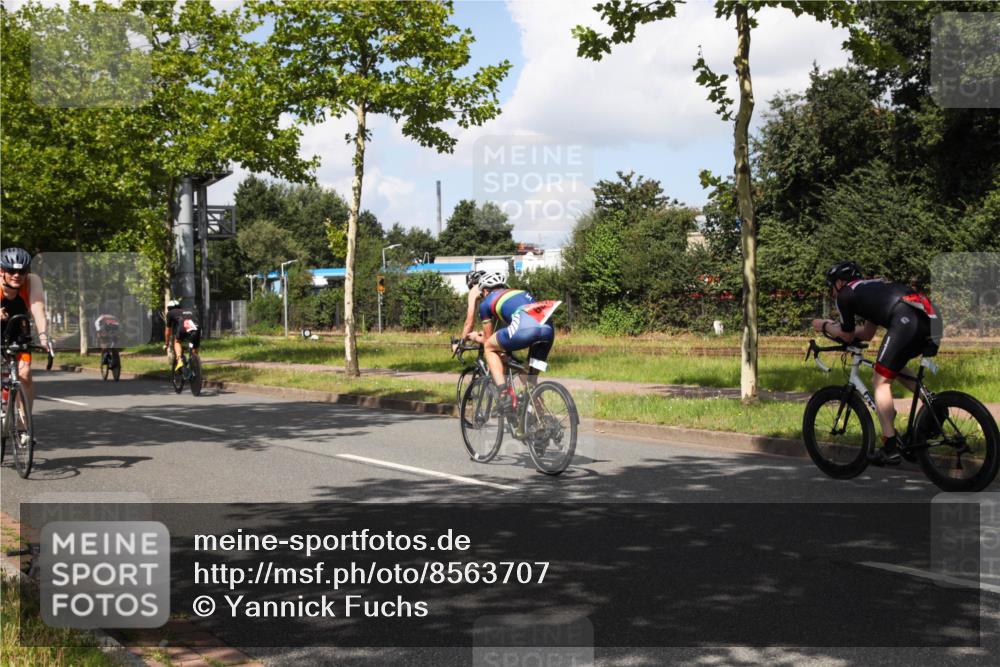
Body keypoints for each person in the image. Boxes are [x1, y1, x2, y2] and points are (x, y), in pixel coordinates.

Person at [812, 261, 941, 466]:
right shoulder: (870, 289)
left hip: (905, 320)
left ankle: (890, 448)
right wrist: (841, 332)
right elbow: (867, 334)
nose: (831, 291)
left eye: (831, 285)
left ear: (840, 282)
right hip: (931, 318)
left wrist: (824, 325)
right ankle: (936, 406)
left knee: (880, 381)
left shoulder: (845, 294)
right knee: (893, 368)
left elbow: (846, 335)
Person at [458, 271, 560, 414]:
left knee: (489, 348)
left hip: (525, 328)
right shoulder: (520, 292)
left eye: (483, 293)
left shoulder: (486, 302)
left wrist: (475, 337)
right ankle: (541, 420)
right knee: (529, 379)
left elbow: (488, 340)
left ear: (486, 290)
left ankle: (503, 394)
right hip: (547, 331)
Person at [0, 247, 52, 408]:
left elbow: (38, 308)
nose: (17, 275)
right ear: (2, 271)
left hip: (18, 328)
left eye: (22, 271)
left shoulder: (32, 280)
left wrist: (44, 336)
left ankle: (24, 427)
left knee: (24, 374)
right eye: (11, 271)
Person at [164, 299, 201, 371]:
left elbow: (168, 332)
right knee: (194, 349)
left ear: (168, 308)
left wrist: (166, 343)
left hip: (183, 328)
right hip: (197, 328)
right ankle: (195, 367)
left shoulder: (170, 313)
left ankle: (179, 360)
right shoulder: (192, 310)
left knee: (177, 341)